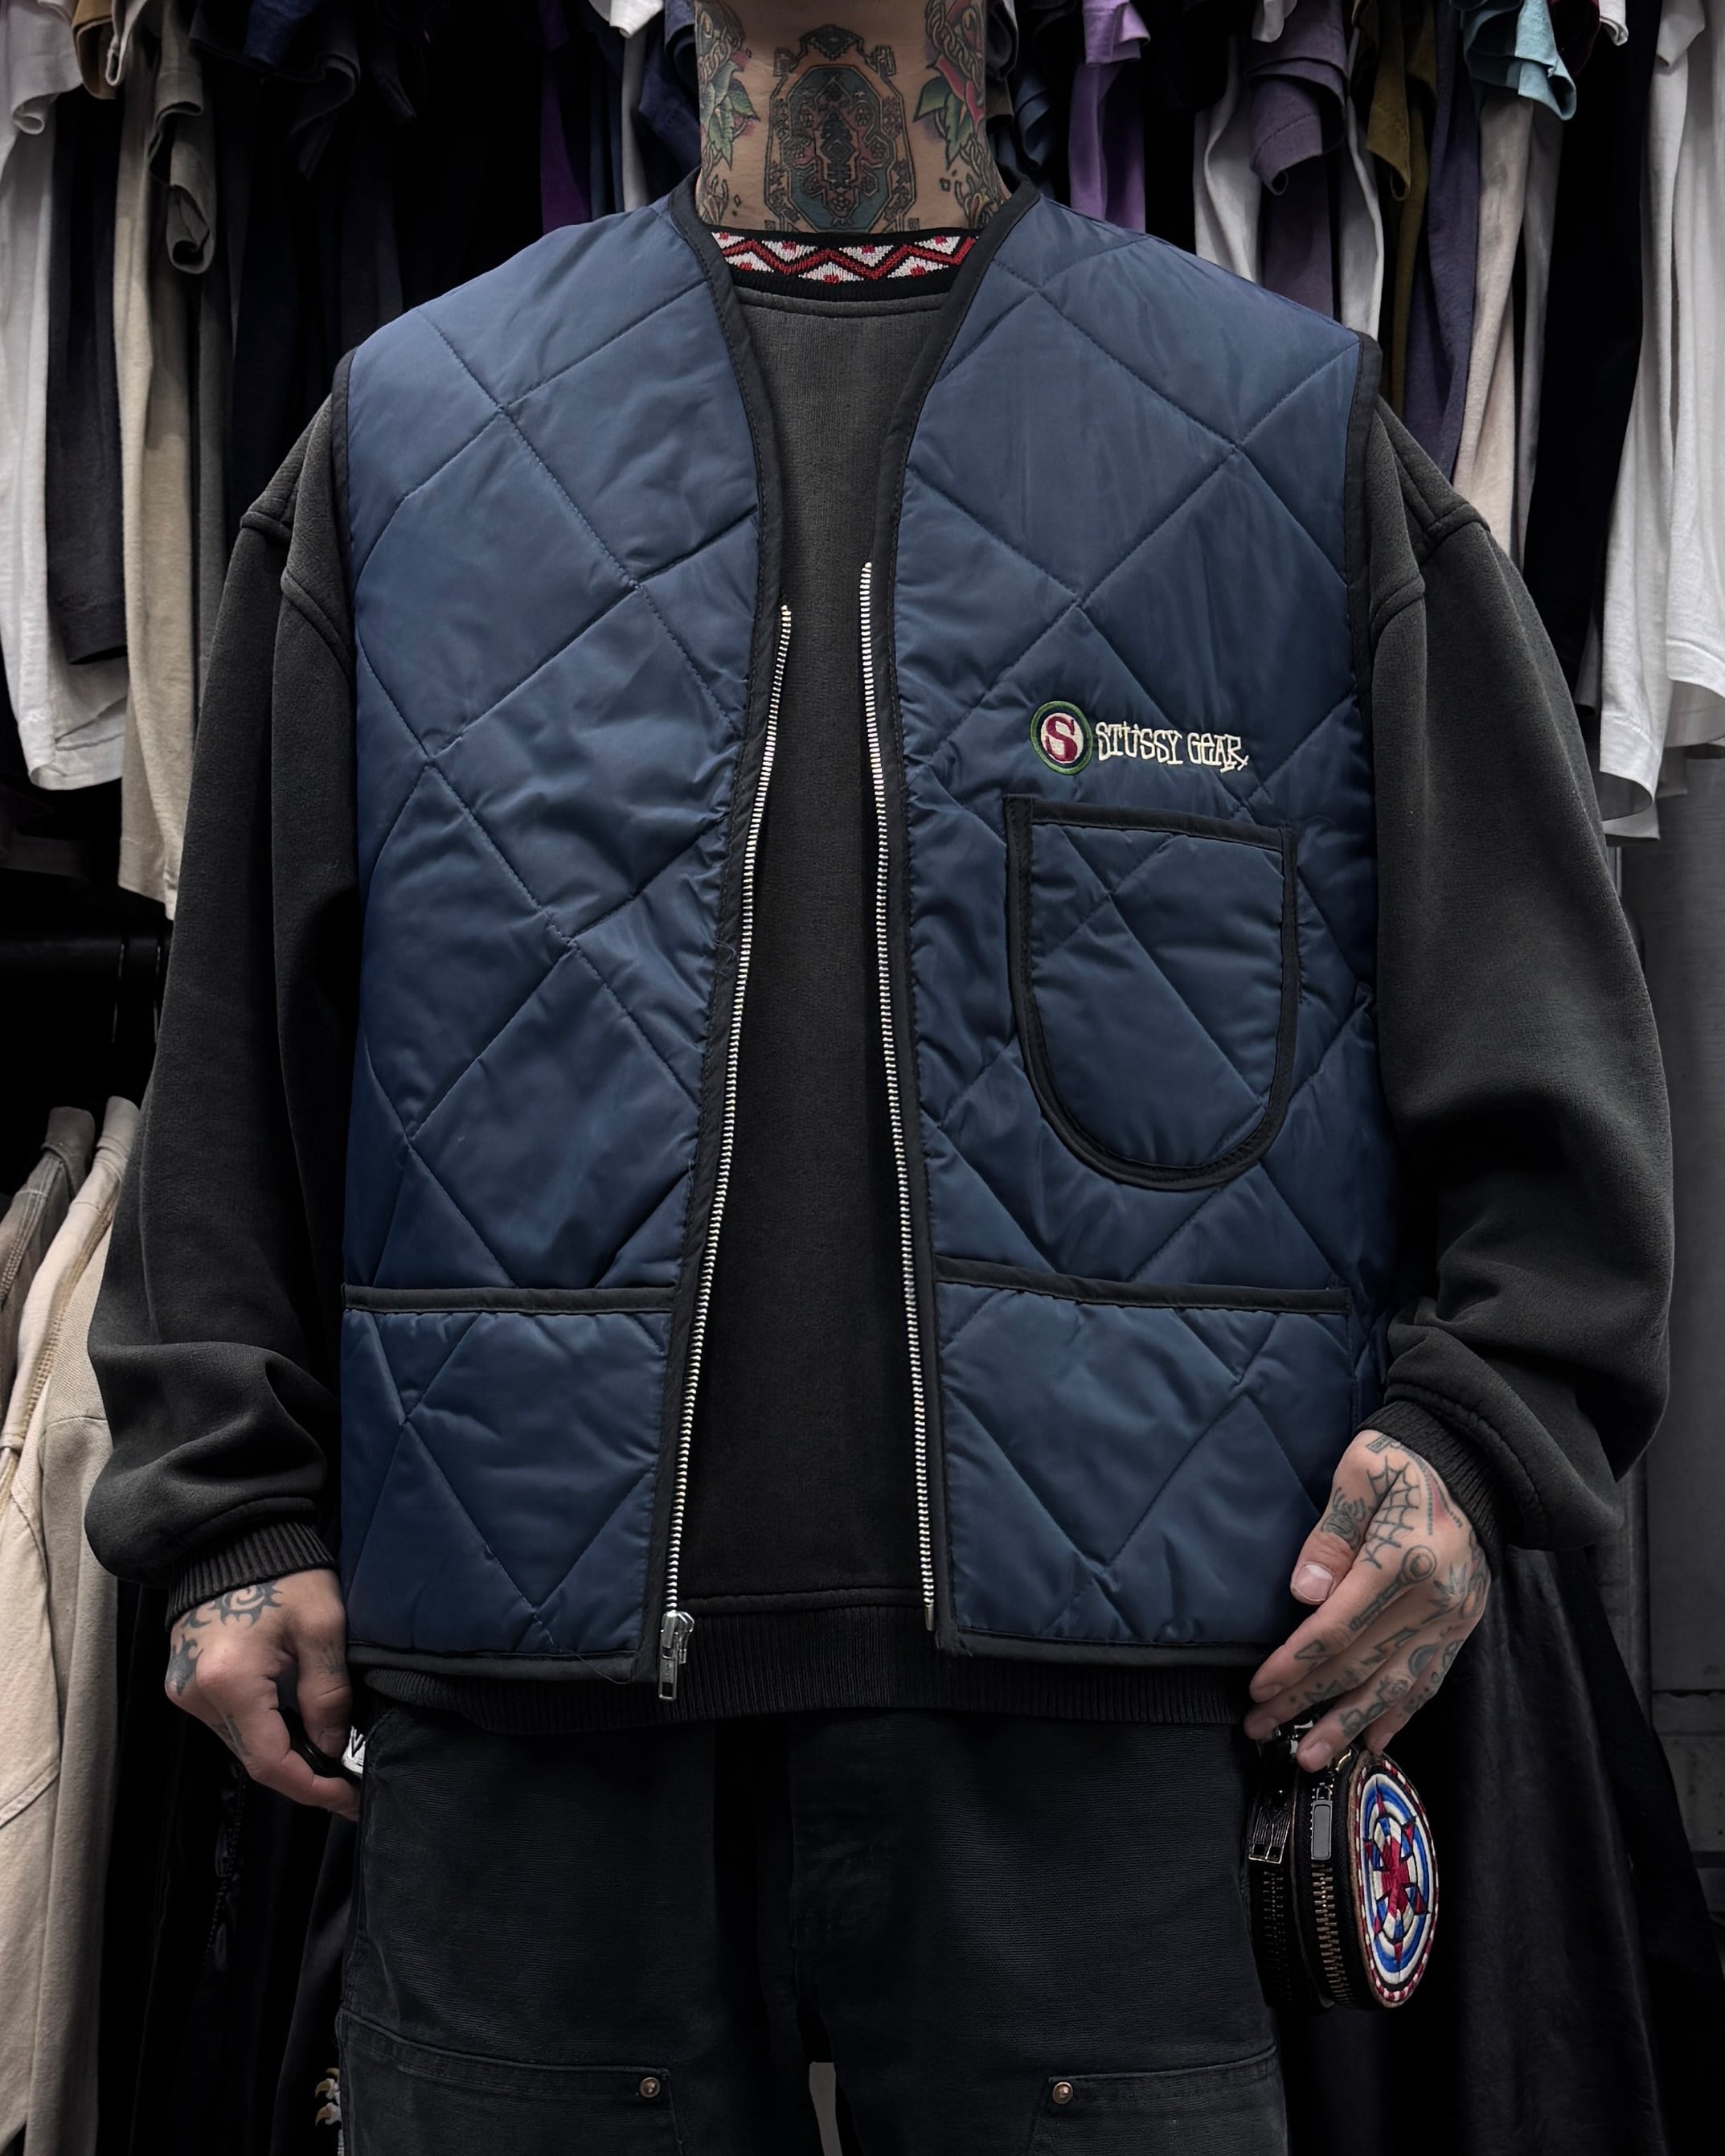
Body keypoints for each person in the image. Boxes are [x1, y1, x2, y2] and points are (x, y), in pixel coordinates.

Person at [85, 2, 1672, 2147]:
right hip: (529, 1745)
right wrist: (224, 1508)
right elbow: (235, 1059)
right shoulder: (416, 435)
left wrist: (1476, 1438)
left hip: (1110, 1755)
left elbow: (1533, 1045)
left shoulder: (1278, 437)